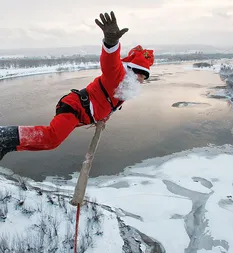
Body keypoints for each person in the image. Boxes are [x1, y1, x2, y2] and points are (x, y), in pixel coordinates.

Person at [0, 11, 154, 160]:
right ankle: (4, 136)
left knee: (50, 142)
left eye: (144, 77)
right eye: (141, 75)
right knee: (52, 138)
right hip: (74, 108)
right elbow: (110, 61)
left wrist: (103, 118)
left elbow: (108, 103)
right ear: (131, 71)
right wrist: (111, 43)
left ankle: (6, 145)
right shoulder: (118, 76)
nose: (141, 80)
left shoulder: (125, 88)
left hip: (81, 113)